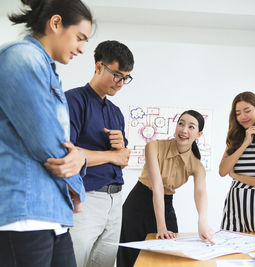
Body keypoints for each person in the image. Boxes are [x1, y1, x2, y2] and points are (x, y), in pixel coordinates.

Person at [0, 0, 92, 266]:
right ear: (55, 23)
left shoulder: (46, 68)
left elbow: (66, 147)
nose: (82, 49)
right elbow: (48, 141)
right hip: (24, 216)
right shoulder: (20, 57)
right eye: (80, 37)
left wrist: (81, 158)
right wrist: (78, 187)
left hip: (52, 215)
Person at [65, 40, 133, 267]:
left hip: (115, 201)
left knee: (104, 264)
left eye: (126, 78)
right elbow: (67, 154)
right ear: (98, 66)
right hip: (86, 197)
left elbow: (122, 160)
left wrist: (120, 150)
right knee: (75, 261)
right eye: (117, 75)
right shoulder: (73, 100)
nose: (121, 83)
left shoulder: (116, 113)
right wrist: (113, 155)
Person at [117, 110, 214, 267]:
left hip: (166, 204)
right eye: (181, 124)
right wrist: (160, 226)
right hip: (138, 205)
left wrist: (202, 220)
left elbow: (201, 192)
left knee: (168, 259)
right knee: (131, 259)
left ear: (199, 134)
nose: (184, 130)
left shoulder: (197, 165)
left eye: (191, 127)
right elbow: (157, 188)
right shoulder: (153, 146)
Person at [219, 91, 255, 238]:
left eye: (247, 111)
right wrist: (245, 143)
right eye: (238, 113)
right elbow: (222, 171)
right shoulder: (234, 141)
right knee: (230, 248)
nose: (243, 117)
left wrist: (236, 176)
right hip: (234, 202)